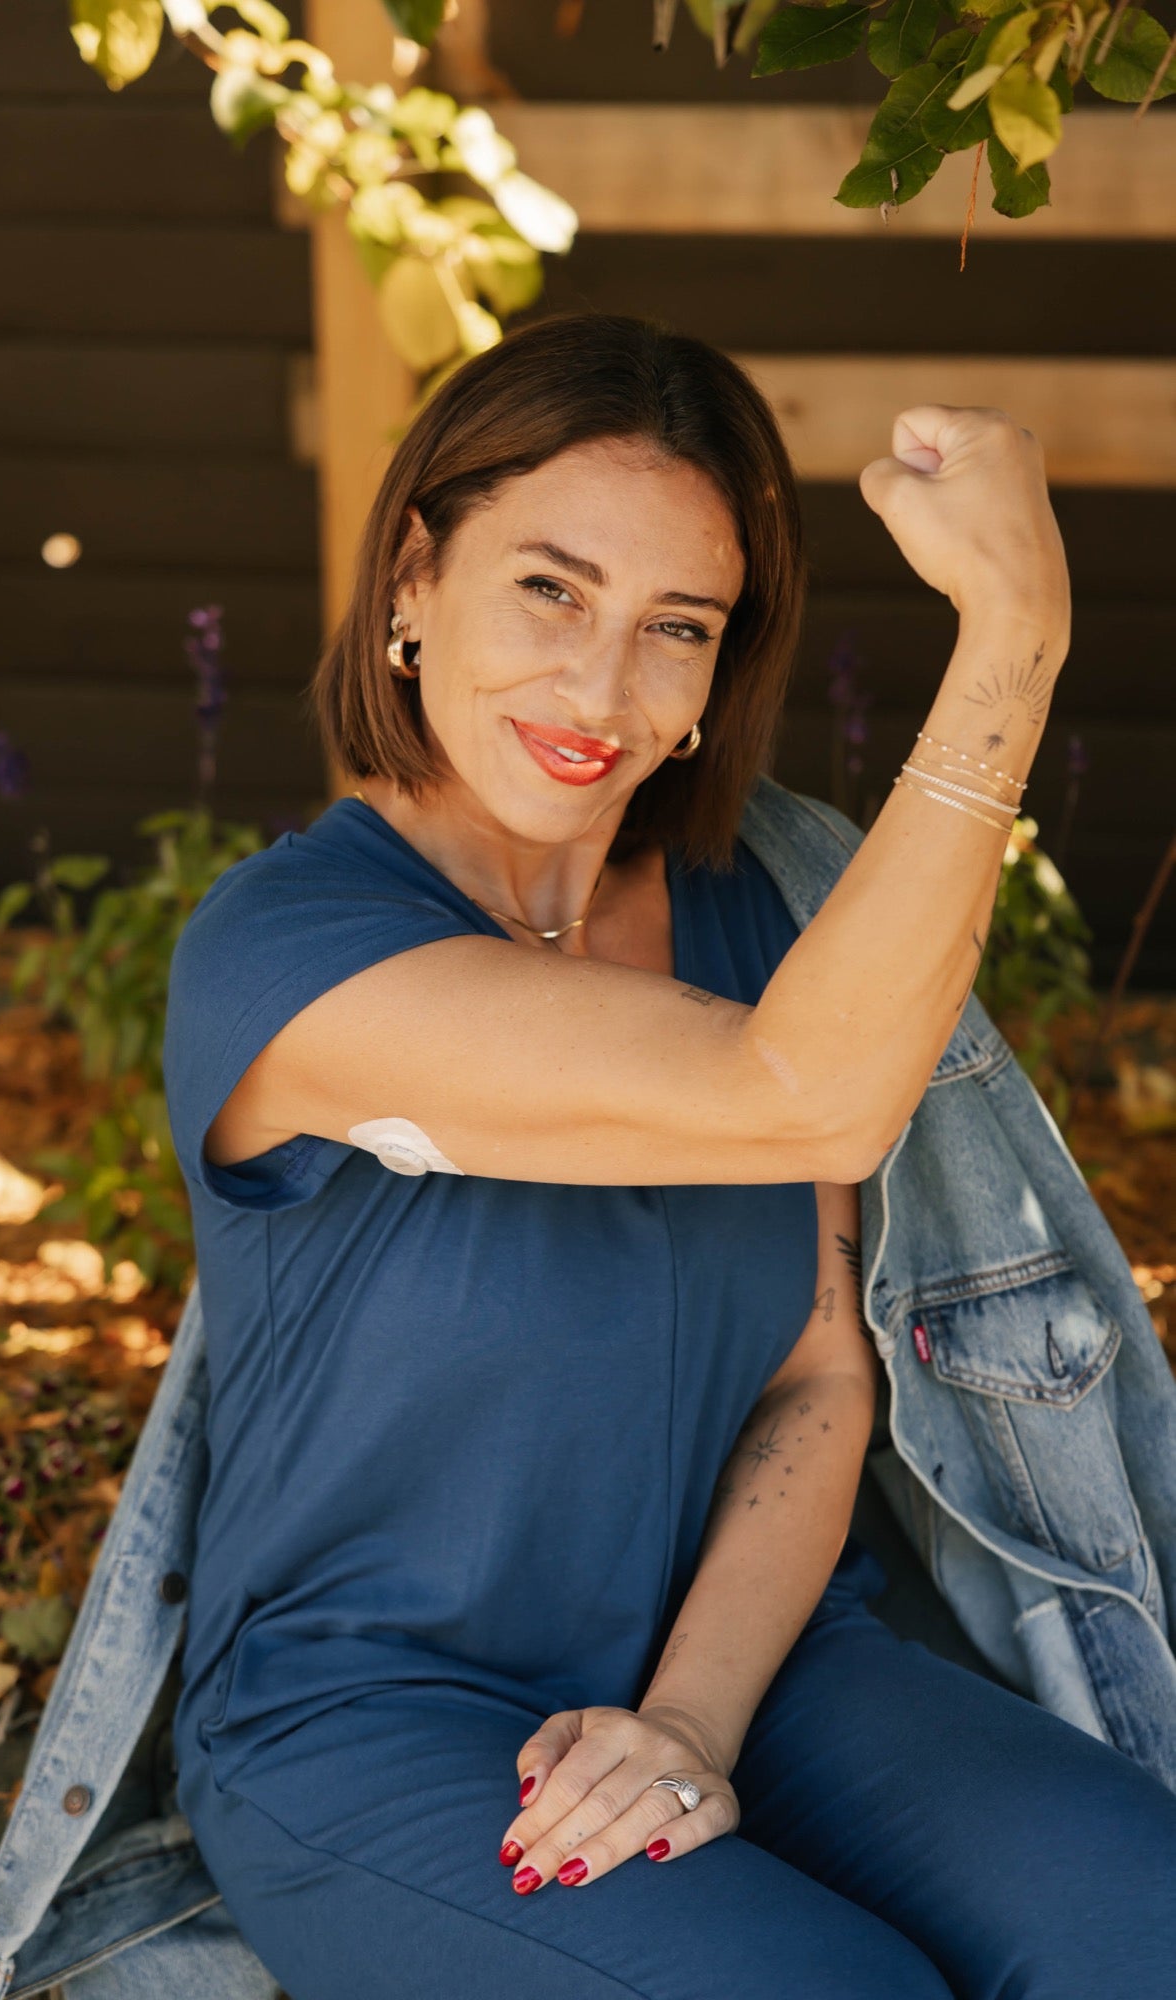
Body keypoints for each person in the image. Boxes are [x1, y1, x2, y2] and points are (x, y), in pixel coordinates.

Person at [160, 312, 1176, 2000]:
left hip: (769, 1662)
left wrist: (690, 1716)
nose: (598, 690)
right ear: (412, 578)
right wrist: (1013, 631)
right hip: (372, 1711)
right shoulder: (289, 954)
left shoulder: (763, 907)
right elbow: (808, 1096)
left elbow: (813, 1383)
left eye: (673, 627)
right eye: (547, 589)